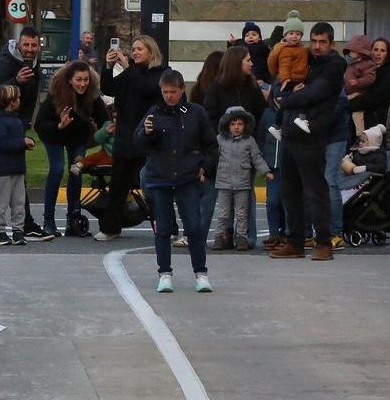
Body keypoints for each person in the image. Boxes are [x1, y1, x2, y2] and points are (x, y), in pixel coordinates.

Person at [266, 22, 345, 261]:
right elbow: (280, 80)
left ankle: (323, 241)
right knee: (289, 191)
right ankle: (295, 241)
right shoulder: (304, 57)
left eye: (322, 42)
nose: (317, 46)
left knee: (315, 189)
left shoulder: (334, 65)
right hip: (290, 131)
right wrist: (284, 94)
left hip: (312, 133)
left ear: (331, 44)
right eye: (314, 41)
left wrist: (287, 99)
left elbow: (316, 92)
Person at [139, 69, 214, 291]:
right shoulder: (153, 112)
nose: (169, 96)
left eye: (173, 91)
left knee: (194, 227)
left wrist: (205, 167)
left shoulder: (196, 113)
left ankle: (201, 274)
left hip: (187, 178)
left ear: (182, 90)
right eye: (165, 92)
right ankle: (164, 273)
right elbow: (139, 143)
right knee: (162, 229)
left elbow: (211, 145)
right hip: (159, 178)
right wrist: (145, 132)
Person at [97, 35, 167, 240]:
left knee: (153, 186)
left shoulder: (161, 73)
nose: (135, 52)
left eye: (139, 49)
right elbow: (109, 89)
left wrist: (128, 69)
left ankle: (165, 228)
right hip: (125, 137)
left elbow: (146, 89)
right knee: (118, 185)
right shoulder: (130, 73)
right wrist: (108, 67)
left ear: (151, 52)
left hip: (149, 137)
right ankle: (110, 227)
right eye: (133, 49)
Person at [0, 28, 46, 239]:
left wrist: (23, 125)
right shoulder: (3, 63)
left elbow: (30, 100)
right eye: (25, 45)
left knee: (18, 187)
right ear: (18, 44)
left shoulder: (35, 67)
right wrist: (16, 80)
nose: (29, 49)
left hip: (14, 124)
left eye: (33, 45)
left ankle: (22, 226)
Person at [32, 61, 107, 242]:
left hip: (77, 136)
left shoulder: (92, 96)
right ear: (70, 81)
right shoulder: (56, 94)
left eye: (86, 80)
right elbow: (40, 124)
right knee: (56, 170)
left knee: (76, 170)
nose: (83, 84)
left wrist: (109, 130)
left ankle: (73, 218)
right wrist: (59, 125)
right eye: (78, 80)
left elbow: (104, 118)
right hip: (55, 135)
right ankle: (48, 220)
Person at [210, 107, 269, 251]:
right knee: (223, 213)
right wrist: (204, 170)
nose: (236, 127)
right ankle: (220, 237)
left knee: (242, 213)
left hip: (242, 183)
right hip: (223, 182)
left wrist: (266, 171)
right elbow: (212, 158)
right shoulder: (219, 140)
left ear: (246, 125)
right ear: (226, 125)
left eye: (240, 124)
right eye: (233, 124)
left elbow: (256, 158)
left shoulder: (249, 141)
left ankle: (242, 238)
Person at [0, 84, 35, 246]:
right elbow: (1, 144)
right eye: (18, 98)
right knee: (1, 201)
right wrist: (22, 142)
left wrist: (26, 143)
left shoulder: (15, 120)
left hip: (17, 167)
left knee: (19, 202)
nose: (20, 101)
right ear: (11, 102)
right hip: (3, 169)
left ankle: (18, 230)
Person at [268, 13, 312, 137]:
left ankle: (277, 125)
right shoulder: (286, 50)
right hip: (290, 79)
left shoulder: (300, 48)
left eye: (298, 34)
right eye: (291, 33)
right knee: (303, 96)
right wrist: (285, 79)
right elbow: (284, 65)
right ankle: (302, 118)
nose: (294, 36)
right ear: (285, 35)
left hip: (294, 78)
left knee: (285, 103)